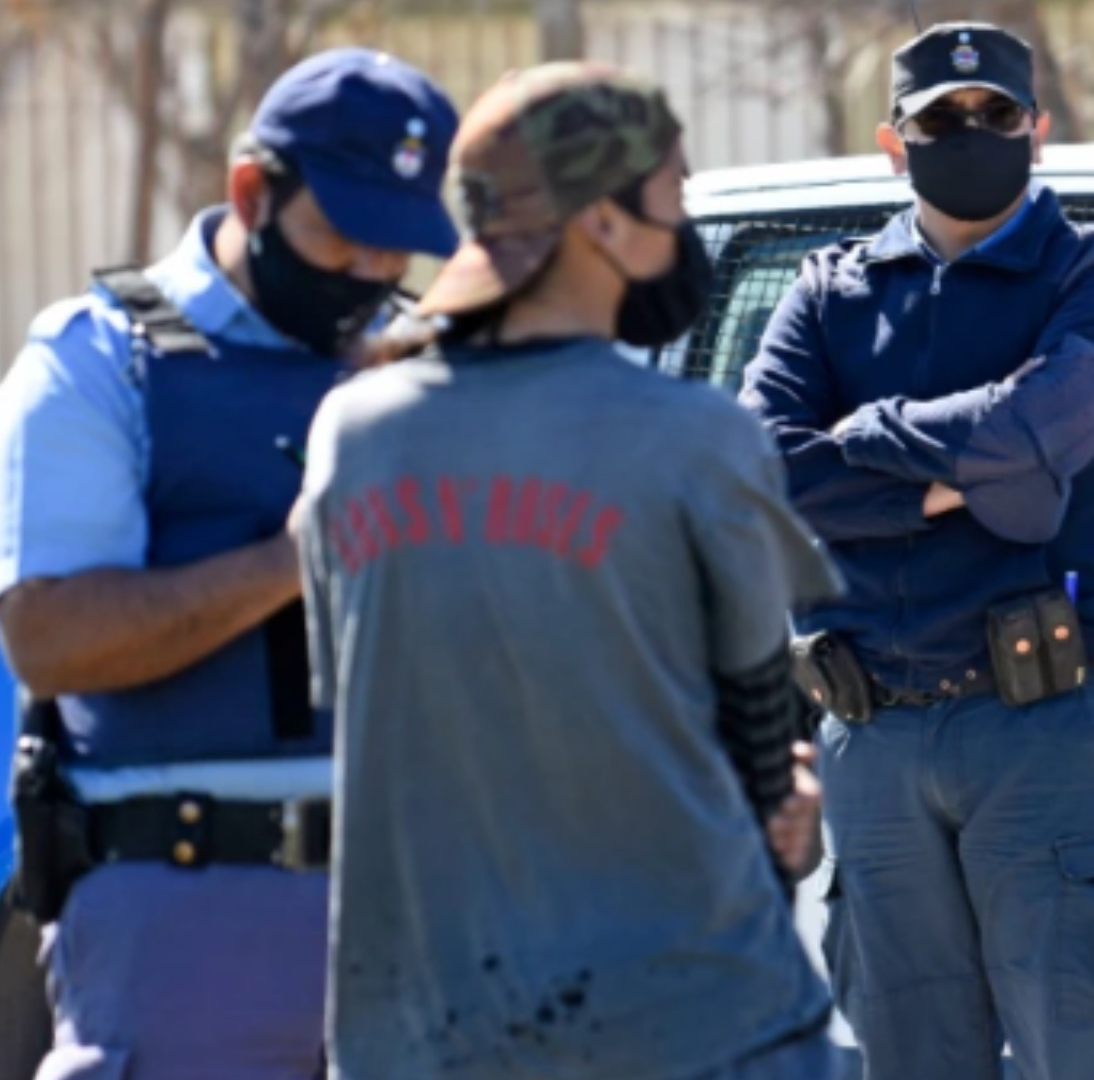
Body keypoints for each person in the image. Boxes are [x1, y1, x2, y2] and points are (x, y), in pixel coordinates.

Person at [294, 62, 845, 1080]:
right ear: (600, 220)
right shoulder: (702, 441)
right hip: (694, 1023)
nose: (683, 229)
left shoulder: (349, 433)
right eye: (673, 196)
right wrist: (793, 817)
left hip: (418, 1036)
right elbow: (764, 757)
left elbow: (361, 720)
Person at [0, 48, 459, 1080]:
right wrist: (294, 557)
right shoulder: (98, 358)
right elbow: (49, 640)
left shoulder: (421, 364)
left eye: (399, 247)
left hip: (424, 907)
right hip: (191, 909)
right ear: (252, 191)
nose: (375, 273)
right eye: (345, 235)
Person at [739, 20, 1094, 1080]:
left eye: (996, 115)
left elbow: (1035, 433)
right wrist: (958, 488)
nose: (971, 130)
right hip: (871, 737)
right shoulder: (828, 291)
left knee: (1075, 1049)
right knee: (910, 1059)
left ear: (1040, 131)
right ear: (895, 143)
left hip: (1048, 728)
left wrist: (865, 441)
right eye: (941, 118)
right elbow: (756, 469)